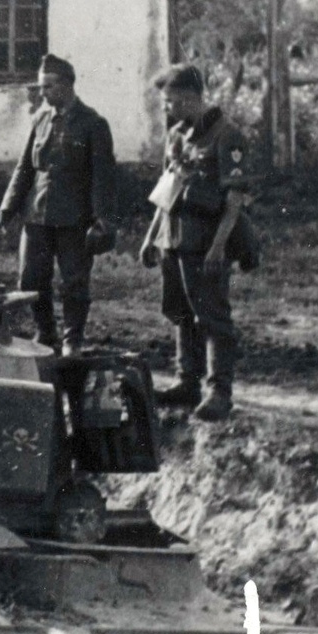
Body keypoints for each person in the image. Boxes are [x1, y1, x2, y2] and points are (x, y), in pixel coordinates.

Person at [139, 65, 254, 421]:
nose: (166, 108)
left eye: (170, 101)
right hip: (172, 237)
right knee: (180, 311)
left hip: (205, 241)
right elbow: (167, 189)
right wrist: (151, 237)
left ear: (190, 98)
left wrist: (219, 246)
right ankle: (186, 382)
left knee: (212, 316)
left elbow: (235, 198)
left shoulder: (228, 136)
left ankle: (219, 391)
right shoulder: (177, 135)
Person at [0, 54, 116, 356]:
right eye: (40, 87)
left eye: (47, 87)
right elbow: (25, 166)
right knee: (31, 278)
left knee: (74, 281)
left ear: (66, 85)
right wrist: (9, 204)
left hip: (73, 218)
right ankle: (46, 331)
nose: (42, 93)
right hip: (37, 215)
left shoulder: (93, 124)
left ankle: (72, 339)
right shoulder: (40, 119)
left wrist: (102, 218)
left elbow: (103, 177)